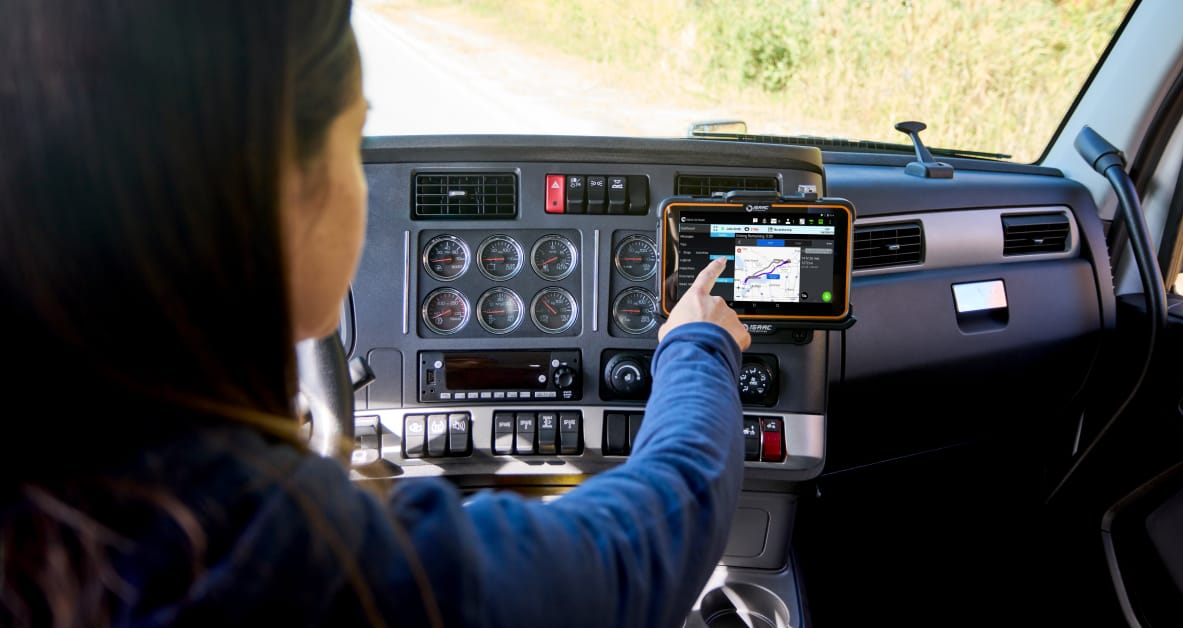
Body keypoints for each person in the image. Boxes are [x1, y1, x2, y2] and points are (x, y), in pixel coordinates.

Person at [0, 2, 751, 626]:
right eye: (354, 141)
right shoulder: (276, 554)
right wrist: (697, 348)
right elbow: (637, 551)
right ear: (262, 190)